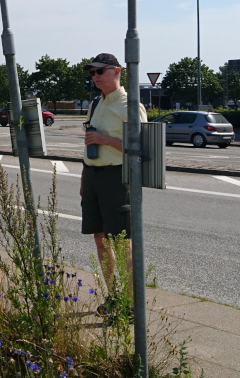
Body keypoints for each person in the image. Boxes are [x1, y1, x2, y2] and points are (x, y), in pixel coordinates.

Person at [81, 52, 147, 317]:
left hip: (118, 177)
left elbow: (140, 147)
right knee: (99, 238)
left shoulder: (130, 104)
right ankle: (115, 296)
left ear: (117, 71)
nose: (95, 76)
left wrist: (104, 139)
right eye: (92, 72)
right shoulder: (96, 102)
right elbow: (89, 142)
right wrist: (85, 179)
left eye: (100, 71)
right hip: (94, 176)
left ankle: (132, 304)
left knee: (121, 241)